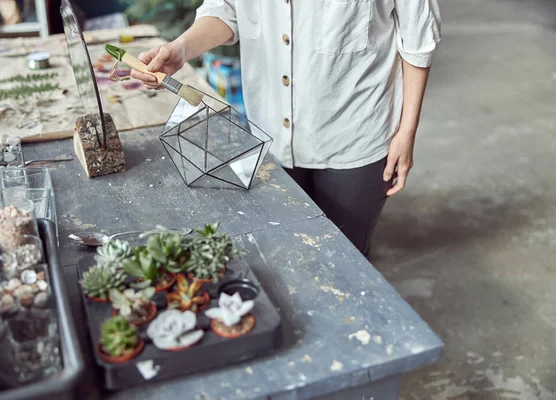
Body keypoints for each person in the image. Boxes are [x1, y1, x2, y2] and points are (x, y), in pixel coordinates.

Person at [131, 1, 441, 258]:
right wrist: (182, 47)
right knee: (282, 257)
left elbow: (418, 39)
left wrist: (406, 132)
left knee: (345, 262)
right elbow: (227, 8)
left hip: (355, 138)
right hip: (269, 137)